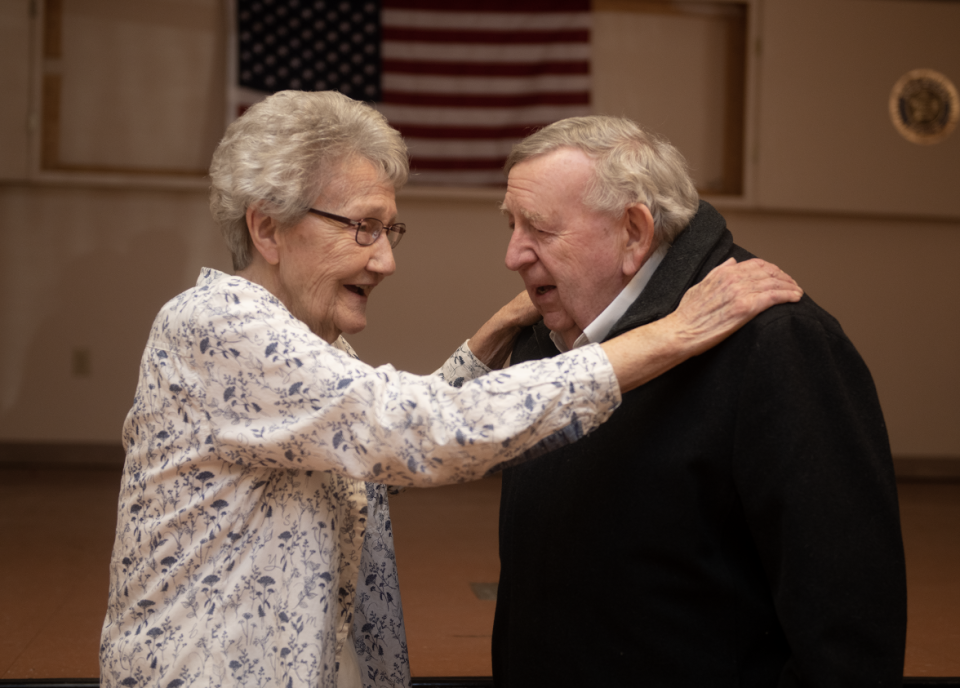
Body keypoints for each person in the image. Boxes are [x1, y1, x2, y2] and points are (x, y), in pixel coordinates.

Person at [98, 91, 801, 688]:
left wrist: (492, 335)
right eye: (364, 228)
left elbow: (370, 461)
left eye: (390, 228)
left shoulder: (309, 345)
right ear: (267, 227)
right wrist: (668, 336)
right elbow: (420, 435)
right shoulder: (219, 329)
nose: (388, 258)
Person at [492, 116, 906, 687]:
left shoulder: (779, 344)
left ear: (634, 232)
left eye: (538, 228)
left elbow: (848, 620)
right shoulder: (542, 337)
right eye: (511, 225)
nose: (514, 254)